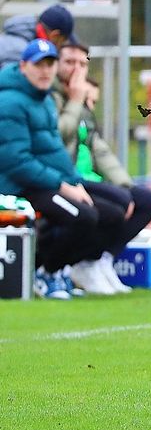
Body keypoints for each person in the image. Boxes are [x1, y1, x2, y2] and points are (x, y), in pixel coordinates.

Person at [51, 44, 151, 294]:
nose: (77, 70)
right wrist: (76, 101)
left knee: (145, 200)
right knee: (112, 208)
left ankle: (102, 260)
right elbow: (57, 137)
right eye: (71, 63)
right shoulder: (56, 99)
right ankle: (73, 264)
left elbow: (100, 150)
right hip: (64, 179)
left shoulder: (82, 107)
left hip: (85, 178)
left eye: (83, 64)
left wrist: (125, 185)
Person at [0, 39, 98, 300]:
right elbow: (17, 162)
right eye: (39, 65)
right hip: (17, 184)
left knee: (107, 210)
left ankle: (62, 270)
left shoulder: (41, 99)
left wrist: (73, 180)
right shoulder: (10, 102)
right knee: (82, 216)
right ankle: (46, 272)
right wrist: (62, 184)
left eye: (50, 64)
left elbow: (54, 151)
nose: (45, 71)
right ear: (23, 66)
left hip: (44, 180)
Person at [0, 4, 77, 68]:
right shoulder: (20, 53)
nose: (60, 48)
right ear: (54, 35)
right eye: (62, 42)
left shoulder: (17, 39)